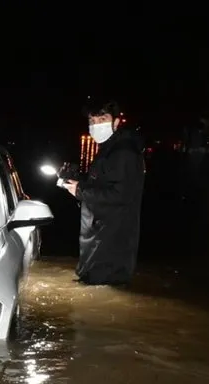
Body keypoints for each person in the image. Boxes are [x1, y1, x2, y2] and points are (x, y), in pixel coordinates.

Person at [63, 99, 145, 286]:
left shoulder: (124, 152)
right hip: (99, 240)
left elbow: (121, 195)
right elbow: (103, 184)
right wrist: (77, 181)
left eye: (102, 119)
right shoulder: (109, 149)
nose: (96, 125)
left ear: (116, 122)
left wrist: (81, 190)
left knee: (101, 294)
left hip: (109, 246)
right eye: (92, 121)